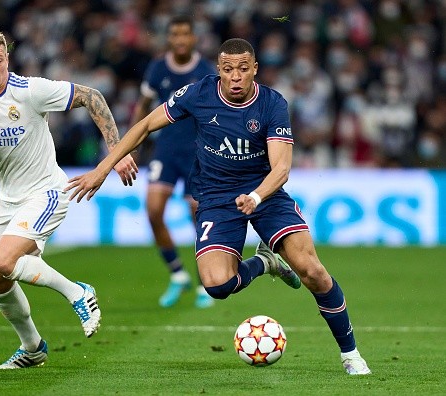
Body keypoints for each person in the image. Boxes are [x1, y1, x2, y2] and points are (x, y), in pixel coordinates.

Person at [66, 38, 371, 375]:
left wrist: (255, 197)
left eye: (243, 69)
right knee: (217, 285)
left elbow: (281, 168)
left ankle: (351, 354)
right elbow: (146, 125)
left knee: (312, 271)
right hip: (214, 196)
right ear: (219, 71)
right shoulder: (198, 94)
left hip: (264, 193)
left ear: (255, 69)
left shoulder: (272, 104)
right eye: (228, 70)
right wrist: (103, 167)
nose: (235, 76)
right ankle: (265, 262)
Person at [0, 29, 138, 369]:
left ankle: (78, 291)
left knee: (3, 260)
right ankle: (33, 348)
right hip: (9, 199)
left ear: (8, 59)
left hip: (46, 192)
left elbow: (92, 97)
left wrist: (115, 151)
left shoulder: (30, 90)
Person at [130, 15, 216, 309]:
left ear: (193, 38)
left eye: (185, 34)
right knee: (154, 210)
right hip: (166, 148)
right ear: (169, 38)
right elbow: (143, 105)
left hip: (197, 152)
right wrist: (132, 145)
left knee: (198, 217)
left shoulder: (206, 70)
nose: (180, 40)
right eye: (175, 34)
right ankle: (178, 274)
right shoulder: (157, 68)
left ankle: (205, 281)